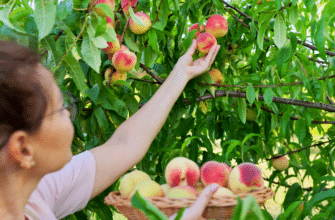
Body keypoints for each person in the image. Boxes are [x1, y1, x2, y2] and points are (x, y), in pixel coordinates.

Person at [0, 39, 221, 220]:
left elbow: (124, 145)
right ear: (23, 149)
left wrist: (180, 75)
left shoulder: (32, 195)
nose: (68, 113)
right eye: (60, 109)